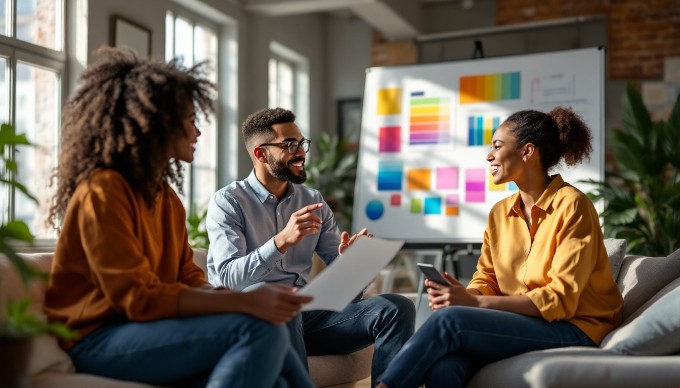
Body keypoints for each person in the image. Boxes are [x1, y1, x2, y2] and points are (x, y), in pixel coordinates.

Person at [43, 47, 314, 388]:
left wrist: (236, 302)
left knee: (275, 367)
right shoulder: (103, 190)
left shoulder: (166, 197)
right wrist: (243, 301)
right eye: (189, 121)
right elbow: (138, 298)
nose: (197, 132)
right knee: (257, 327)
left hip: (148, 330)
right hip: (97, 339)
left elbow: (186, 276)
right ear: (155, 124)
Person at [376, 107, 624, 388]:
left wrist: (473, 304)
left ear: (527, 152)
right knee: (446, 366)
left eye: (497, 146)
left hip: (577, 327)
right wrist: (464, 294)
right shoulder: (500, 213)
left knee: (450, 321)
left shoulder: (573, 206)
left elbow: (561, 300)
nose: (489, 156)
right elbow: (488, 278)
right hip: (524, 322)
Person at [206, 107, 416, 387]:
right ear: (261, 153)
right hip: (252, 319)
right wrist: (281, 242)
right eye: (290, 145)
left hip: (306, 319)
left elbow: (349, 297)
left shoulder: (312, 200)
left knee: (396, 307)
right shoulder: (228, 203)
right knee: (276, 297)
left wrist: (351, 264)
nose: (301, 152)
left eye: (302, 143)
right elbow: (230, 280)